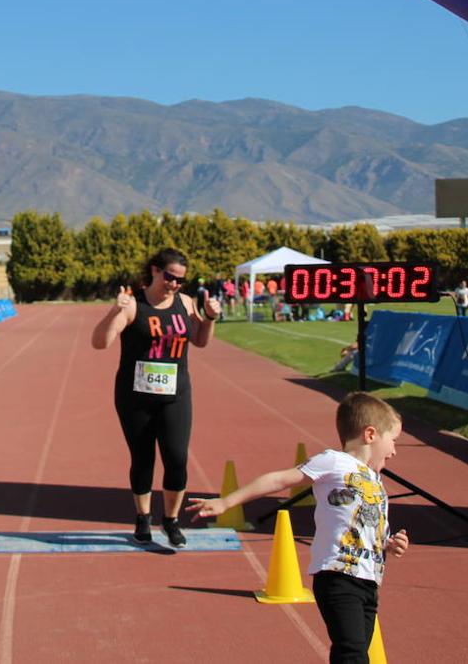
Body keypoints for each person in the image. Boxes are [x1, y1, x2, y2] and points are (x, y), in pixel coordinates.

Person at [188, 392, 410, 664]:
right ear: (371, 434)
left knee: (356, 651)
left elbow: (369, 528)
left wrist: (390, 543)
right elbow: (279, 480)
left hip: (369, 580)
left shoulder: (376, 482)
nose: (395, 451)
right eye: (394, 441)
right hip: (338, 576)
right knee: (351, 653)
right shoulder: (334, 462)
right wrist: (227, 501)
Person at [90, 248, 221, 547]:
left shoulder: (186, 304)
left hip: (176, 394)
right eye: (169, 277)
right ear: (154, 271)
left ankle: (171, 521)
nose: (174, 284)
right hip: (135, 396)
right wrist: (114, 311)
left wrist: (210, 318)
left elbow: (200, 341)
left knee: (177, 458)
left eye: (180, 280)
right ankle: (143, 518)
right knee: (143, 459)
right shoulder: (133, 305)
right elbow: (99, 343)